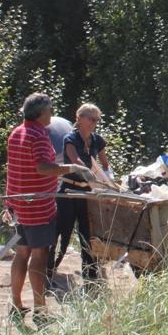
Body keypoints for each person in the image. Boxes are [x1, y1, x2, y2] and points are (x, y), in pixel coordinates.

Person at [6, 93, 93, 324]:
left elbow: (15, 169)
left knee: (22, 252)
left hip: (19, 203)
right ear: (40, 113)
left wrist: (10, 203)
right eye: (50, 110)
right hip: (38, 206)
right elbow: (44, 168)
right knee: (40, 254)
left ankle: (15, 304)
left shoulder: (16, 133)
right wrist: (73, 167)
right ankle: (41, 311)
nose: (52, 114)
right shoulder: (38, 135)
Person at [48, 103, 110, 284]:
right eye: (90, 118)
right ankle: (48, 270)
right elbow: (75, 160)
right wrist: (89, 171)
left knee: (87, 234)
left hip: (86, 192)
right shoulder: (70, 138)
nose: (93, 123)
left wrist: (107, 178)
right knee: (61, 233)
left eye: (96, 119)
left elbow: (105, 164)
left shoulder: (97, 140)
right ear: (79, 118)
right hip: (68, 191)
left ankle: (90, 276)